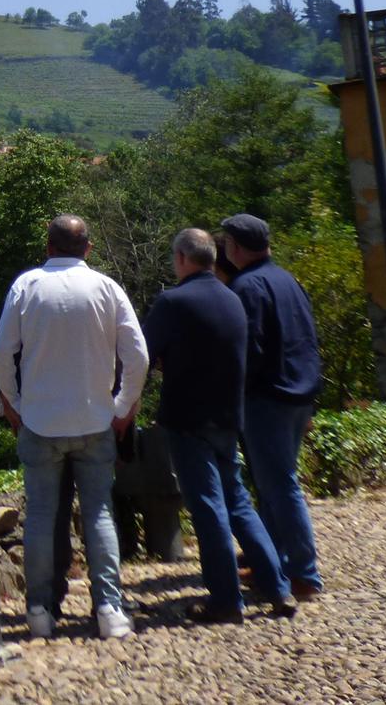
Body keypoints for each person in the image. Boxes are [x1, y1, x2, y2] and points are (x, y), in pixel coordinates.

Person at [0, 215, 148, 641]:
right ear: (89, 249)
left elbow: (0, 356)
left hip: (40, 422)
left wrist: (13, 404)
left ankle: (39, 610)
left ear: (48, 247)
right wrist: (122, 406)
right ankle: (110, 608)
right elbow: (138, 356)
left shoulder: (27, 286)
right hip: (96, 419)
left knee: (39, 518)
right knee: (99, 515)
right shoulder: (107, 288)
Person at [143, 228, 298, 624]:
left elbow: (143, 353)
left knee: (207, 507)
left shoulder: (172, 302)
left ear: (181, 258)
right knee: (239, 502)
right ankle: (278, 588)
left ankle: (226, 600)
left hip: (187, 417)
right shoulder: (233, 299)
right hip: (229, 417)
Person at [221, 213, 325, 601]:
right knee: (273, 485)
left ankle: (303, 574)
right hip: (300, 392)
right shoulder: (287, 279)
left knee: (280, 485)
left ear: (233, 247)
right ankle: (272, 563)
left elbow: (248, 348)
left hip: (268, 397)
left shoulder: (247, 286)